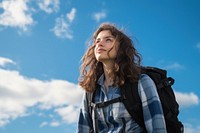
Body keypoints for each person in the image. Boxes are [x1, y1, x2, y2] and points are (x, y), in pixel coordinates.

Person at [76, 22, 167, 133]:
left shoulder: (142, 82)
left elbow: (158, 129)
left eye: (108, 40)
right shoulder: (91, 91)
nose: (99, 44)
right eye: (97, 41)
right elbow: (82, 129)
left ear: (121, 48)